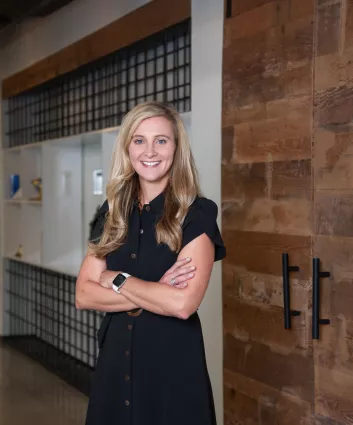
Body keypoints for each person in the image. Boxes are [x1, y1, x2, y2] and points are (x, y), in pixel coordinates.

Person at [76, 101, 226, 425]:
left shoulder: (197, 214)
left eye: (161, 140)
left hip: (171, 368)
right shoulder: (112, 211)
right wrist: (156, 292)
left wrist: (116, 278)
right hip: (115, 365)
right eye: (139, 140)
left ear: (176, 147)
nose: (150, 151)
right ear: (127, 148)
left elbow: (183, 304)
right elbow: (84, 295)